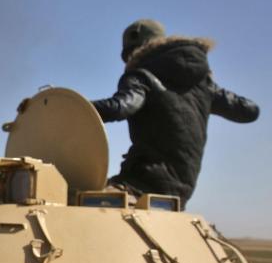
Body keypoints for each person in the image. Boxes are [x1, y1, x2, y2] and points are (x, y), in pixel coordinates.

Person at [91, 19, 259, 206]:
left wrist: (70, 108)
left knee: (77, 204)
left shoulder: (141, 76)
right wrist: (208, 88)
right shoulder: (205, 85)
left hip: (140, 183)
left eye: (128, 56)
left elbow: (120, 107)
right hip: (180, 192)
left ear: (136, 52)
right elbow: (249, 111)